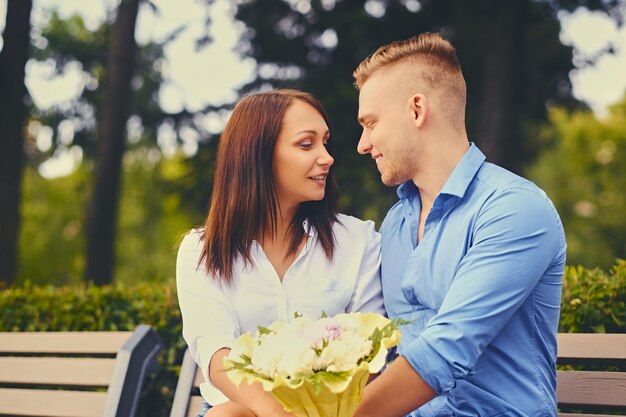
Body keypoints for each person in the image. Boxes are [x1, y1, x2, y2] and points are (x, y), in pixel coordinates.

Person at [351, 33, 567, 417]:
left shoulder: (513, 209)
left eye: (370, 123)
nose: (362, 144)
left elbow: (445, 351)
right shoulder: (396, 223)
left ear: (416, 109)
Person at [176, 89, 385, 417]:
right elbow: (217, 354)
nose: (327, 157)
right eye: (306, 144)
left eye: (325, 142)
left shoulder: (359, 241)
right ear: (258, 155)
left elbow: (371, 355)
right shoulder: (201, 251)